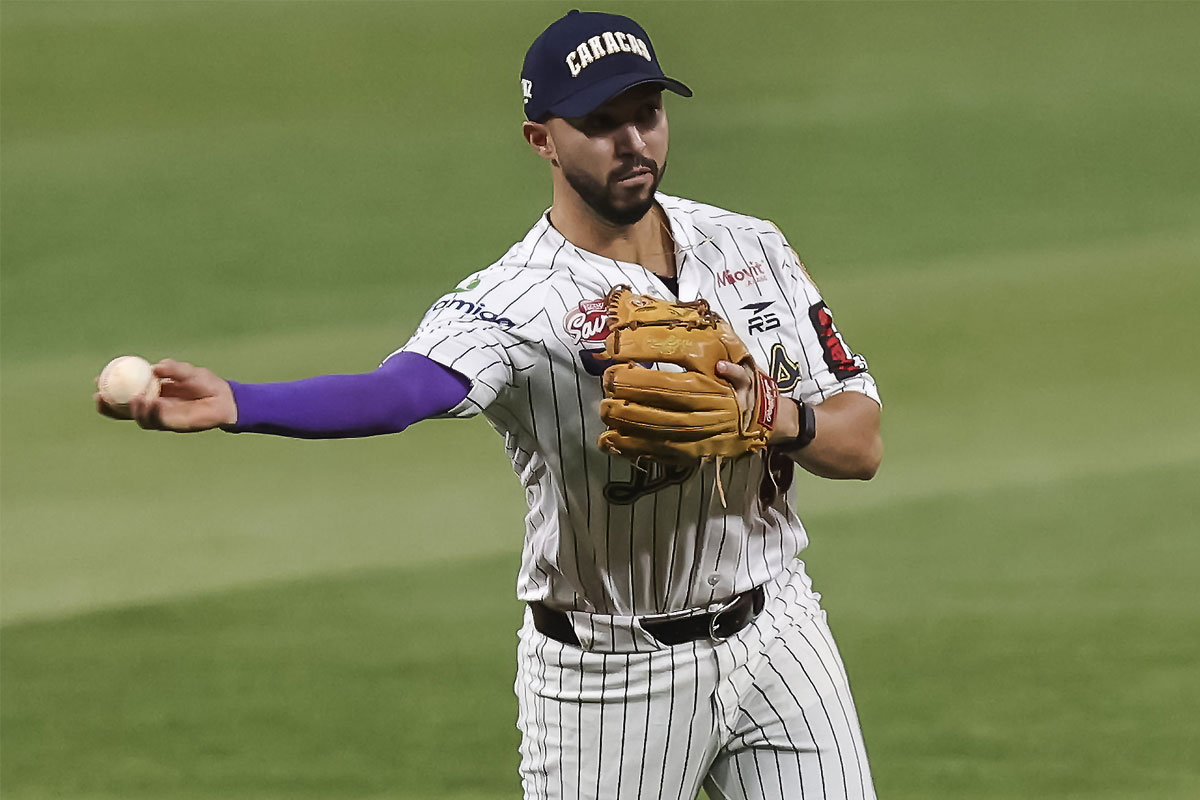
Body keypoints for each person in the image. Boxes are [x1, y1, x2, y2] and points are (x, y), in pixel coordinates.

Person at [97, 10, 882, 800]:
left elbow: (863, 446)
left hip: (780, 631)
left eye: (646, 114)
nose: (633, 142)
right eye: (599, 123)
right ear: (542, 138)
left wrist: (784, 420)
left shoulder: (752, 248)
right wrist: (239, 401)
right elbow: (399, 393)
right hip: (611, 680)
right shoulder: (516, 303)